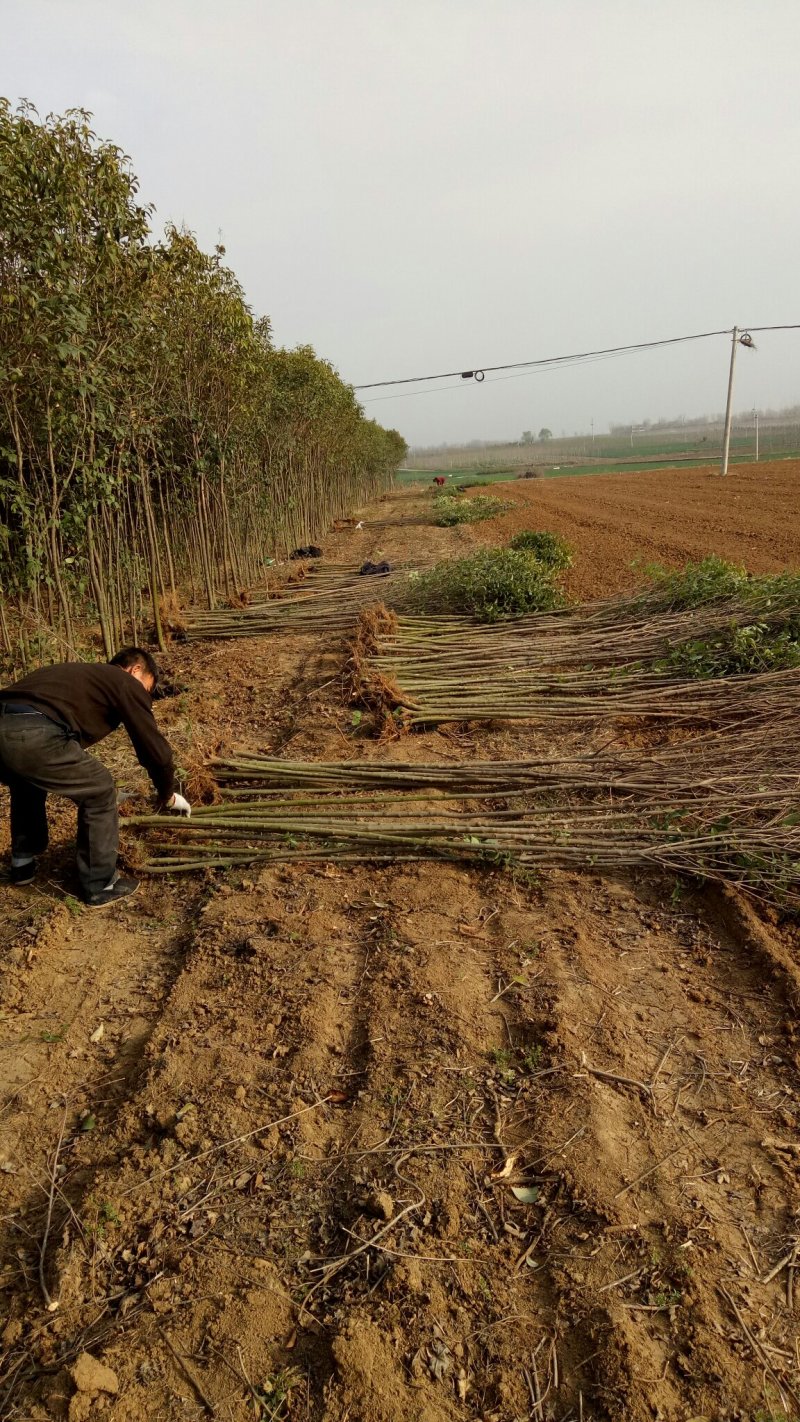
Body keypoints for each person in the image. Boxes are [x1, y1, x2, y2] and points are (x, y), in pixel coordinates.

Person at [0, 647, 190, 908]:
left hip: (8, 725)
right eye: (146, 689)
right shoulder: (123, 680)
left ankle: (22, 863)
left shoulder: (75, 675)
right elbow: (155, 751)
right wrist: (167, 794)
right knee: (100, 789)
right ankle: (101, 884)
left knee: (28, 782)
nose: (144, 697)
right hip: (33, 732)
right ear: (135, 670)